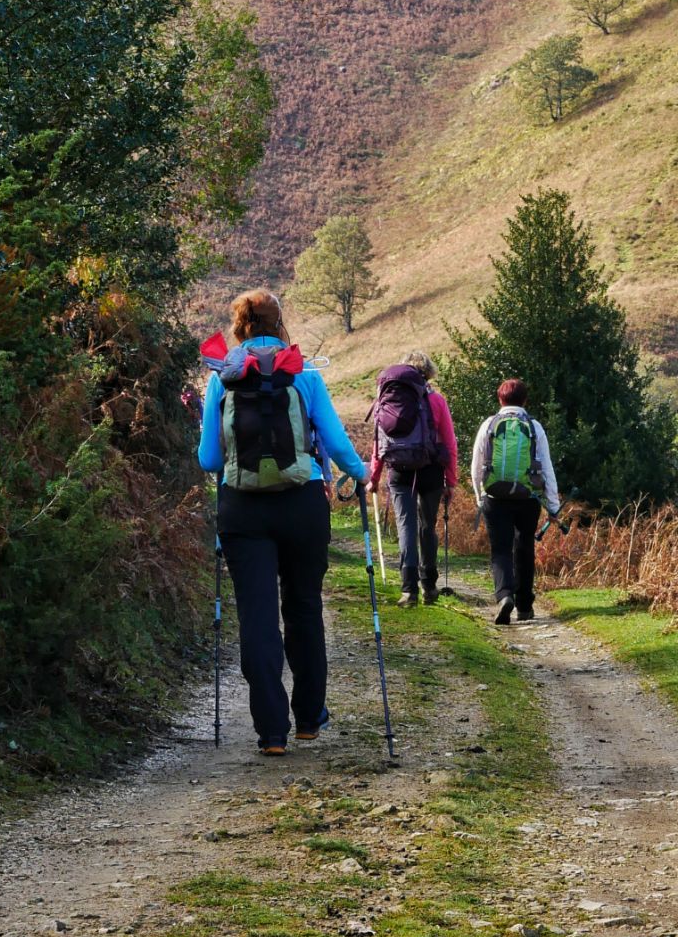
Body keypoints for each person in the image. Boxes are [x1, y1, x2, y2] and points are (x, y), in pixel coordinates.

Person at [198, 288, 370, 755]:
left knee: (256, 617)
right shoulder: (304, 373)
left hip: (242, 508)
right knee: (304, 608)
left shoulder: (224, 376)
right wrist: (362, 473)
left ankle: (271, 732)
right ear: (279, 324)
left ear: (240, 326)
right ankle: (309, 718)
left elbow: (210, 459)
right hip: (302, 506)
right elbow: (334, 441)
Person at [367, 351, 458, 608]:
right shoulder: (436, 401)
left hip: (398, 470)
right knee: (427, 527)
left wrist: (374, 477)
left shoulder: (388, 398)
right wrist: (451, 480)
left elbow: (378, 441)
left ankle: (409, 591)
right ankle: (429, 585)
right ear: (428, 373)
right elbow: (449, 444)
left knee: (406, 526)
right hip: (430, 470)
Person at [471, 378, 560, 626]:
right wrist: (552, 505)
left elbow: (477, 465)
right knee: (524, 547)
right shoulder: (534, 427)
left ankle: (504, 596)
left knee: (500, 549)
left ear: (500, 399)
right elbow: (547, 468)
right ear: (525, 400)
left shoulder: (489, 424)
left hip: (494, 497)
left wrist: (480, 495)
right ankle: (523, 606)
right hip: (527, 497)